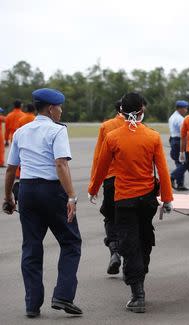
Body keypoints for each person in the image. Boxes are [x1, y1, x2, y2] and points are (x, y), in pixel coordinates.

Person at [88, 92, 173, 313]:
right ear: (141, 111)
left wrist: (93, 189)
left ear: (121, 112)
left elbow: (101, 167)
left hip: (124, 198)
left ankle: (137, 292)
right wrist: (167, 198)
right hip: (147, 199)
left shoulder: (113, 137)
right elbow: (162, 170)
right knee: (145, 238)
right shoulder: (152, 136)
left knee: (129, 242)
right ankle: (140, 273)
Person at [3, 88, 82, 318]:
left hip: (26, 190)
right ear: (51, 108)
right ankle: (63, 295)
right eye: (59, 107)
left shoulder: (21, 131)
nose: (61, 110)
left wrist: (8, 196)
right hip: (51, 191)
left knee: (31, 247)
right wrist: (71, 196)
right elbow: (61, 164)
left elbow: (10, 169)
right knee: (70, 242)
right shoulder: (57, 131)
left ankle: (32, 304)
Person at [88, 100, 125, 275]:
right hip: (133, 182)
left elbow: (98, 158)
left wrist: (93, 186)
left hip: (111, 179)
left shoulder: (106, 126)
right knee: (130, 219)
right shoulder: (141, 127)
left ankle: (114, 250)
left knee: (110, 217)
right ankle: (131, 258)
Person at [168, 100, 189, 191]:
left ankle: (180, 184)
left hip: (173, 139)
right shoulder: (180, 119)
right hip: (178, 141)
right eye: (185, 108)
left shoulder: (172, 117)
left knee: (179, 162)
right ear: (180, 109)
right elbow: (184, 133)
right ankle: (172, 177)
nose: (186, 110)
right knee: (185, 163)